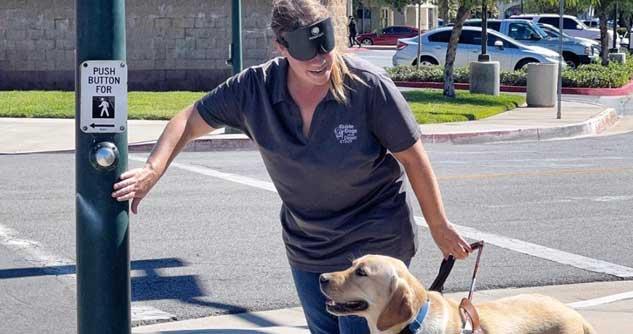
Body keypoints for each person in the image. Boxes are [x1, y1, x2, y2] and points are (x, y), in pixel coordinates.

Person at [112, 0, 471, 333]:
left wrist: (439, 226)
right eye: (305, 50)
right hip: (308, 245)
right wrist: (153, 169)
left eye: (326, 45)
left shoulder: (368, 86)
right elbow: (190, 119)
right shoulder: (255, 90)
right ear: (281, 47)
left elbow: (412, 156)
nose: (321, 59)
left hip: (373, 238)